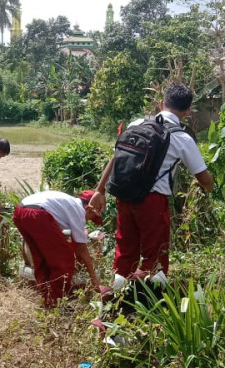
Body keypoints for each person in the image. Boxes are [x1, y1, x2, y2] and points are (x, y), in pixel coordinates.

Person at [89, 83, 214, 285]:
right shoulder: (182, 138)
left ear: (162, 103)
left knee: (125, 248)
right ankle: (154, 304)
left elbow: (116, 158)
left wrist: (99, 190)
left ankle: (119, 298)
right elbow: (204, 178)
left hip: (124, 195)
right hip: (152, 201)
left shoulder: (136, 124)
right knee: (155, 254)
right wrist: (208, 188)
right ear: (188, 111)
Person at [13, 190, 103, 308]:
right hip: (38, 213)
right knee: (65, 259)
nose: (89, 221)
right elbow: (82, 249)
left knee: (41, 258)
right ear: (89, 208)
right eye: (92, 217)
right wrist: (94, 279)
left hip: (21, 211)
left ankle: (48, 299)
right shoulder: (79, 212)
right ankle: (57, 303)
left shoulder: (67, 205)